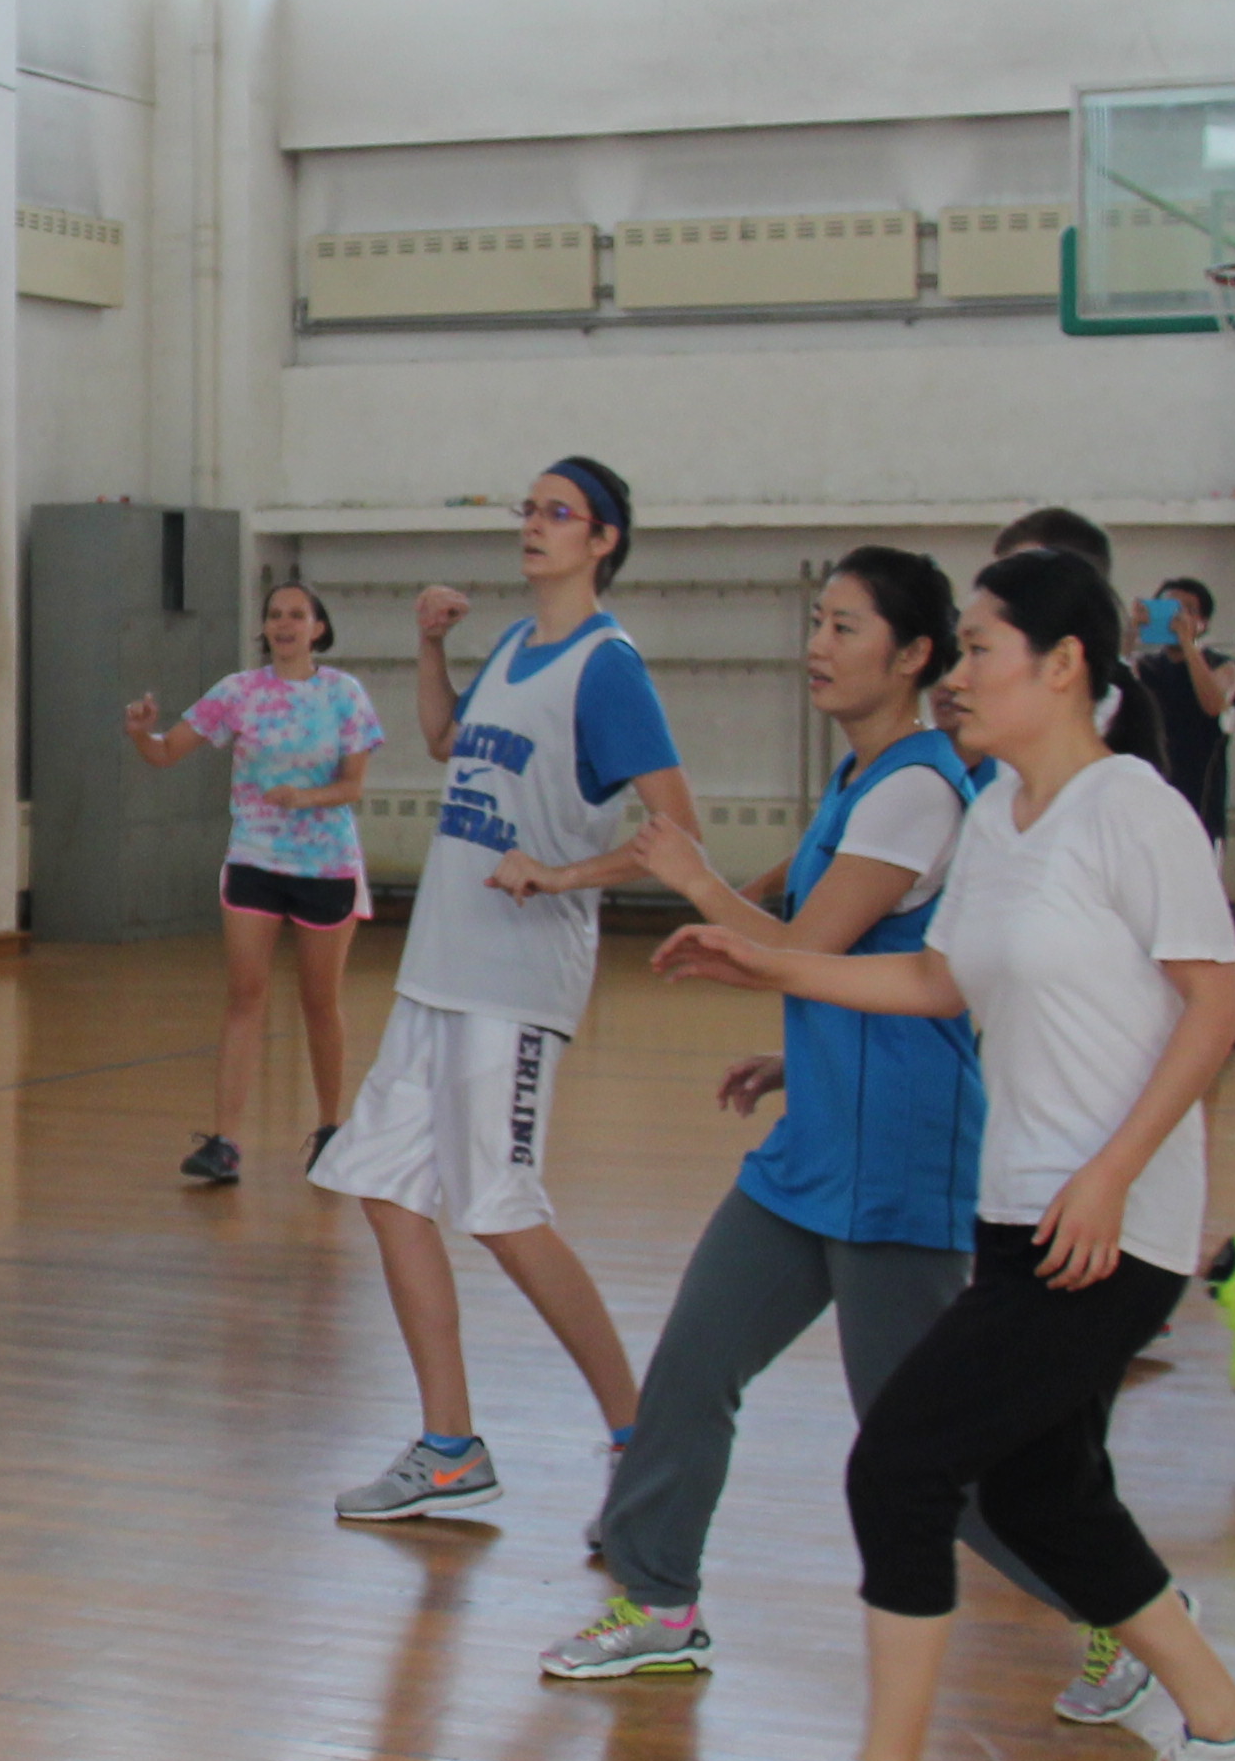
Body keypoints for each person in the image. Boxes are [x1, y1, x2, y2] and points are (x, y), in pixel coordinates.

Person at [657, 546, 1235, 1761]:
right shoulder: (1001, 818)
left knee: (899, 1464)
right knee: (1050, 1498)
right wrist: (765, 965)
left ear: (1063, 666)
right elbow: (936, 984)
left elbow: (1218, 1004)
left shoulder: (1133, 809)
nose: (956, 676)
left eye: (978, 649)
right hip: (1014, 1213)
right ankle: (1231, 1728)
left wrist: (1113, 1172)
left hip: (1108, 1226)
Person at [551, 546, 1089, 1682]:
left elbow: (804, 949)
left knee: (926, 1448)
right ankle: (658, 1603)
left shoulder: (917, 789)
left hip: (897, 1161)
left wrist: (694, 882)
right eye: (817, 622)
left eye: (846, 628)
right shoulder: (862, 778)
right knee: (692, 1368)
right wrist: (797, 1064)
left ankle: (1127, 1613)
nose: (817, 647)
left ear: (914, 655)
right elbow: (838, 962)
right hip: (815, 1151)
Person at [314, 458, 693, 1534]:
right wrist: (431, 648)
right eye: (529, 509)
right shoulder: (520, 644)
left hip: (516, 983)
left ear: (602, 541)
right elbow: (445, 743)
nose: (534, 524)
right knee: (386, 1188)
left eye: (558, 513)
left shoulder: (608, 669)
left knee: (502, 1211)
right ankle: (449, 1449)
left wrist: (564, 875)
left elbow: (678, 832)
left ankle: (642, 1448)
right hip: (439, 969)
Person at [125, 579, 387, 1186]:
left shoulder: (344, 694)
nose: (284, 624)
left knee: (319, 1001)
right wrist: (142, 732)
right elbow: (165, 753)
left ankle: (330, 1129)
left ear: (318, 628)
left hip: (325, 863)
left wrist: (305, 797)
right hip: (255, 860)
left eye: (297, 615)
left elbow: (353, 785)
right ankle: (224, 1142)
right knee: (244, 996)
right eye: (274, 615)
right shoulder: (237, 692)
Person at [1133, 579, 1235, 843]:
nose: (1176, 618)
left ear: (1204, 622)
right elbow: (1110, 696)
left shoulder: (1222, 665)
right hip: (1150, 807)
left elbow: (1214, 705)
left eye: (1187, 610)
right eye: (1169, 609)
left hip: (1201, 810)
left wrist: (1188, 643)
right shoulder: (1145, 667)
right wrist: (1130, 632)